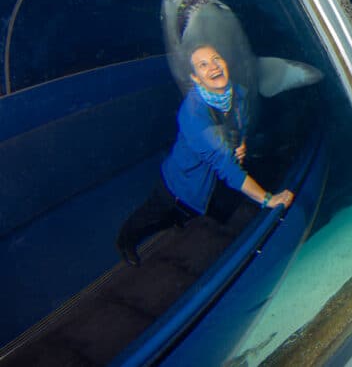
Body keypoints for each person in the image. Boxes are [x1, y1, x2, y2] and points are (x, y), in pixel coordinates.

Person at [116, 44, 294, 266]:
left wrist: (242, 144)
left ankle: (185, 221)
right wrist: (268, 199)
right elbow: (226, 167)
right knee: (153, 221)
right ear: (196, 78)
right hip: (179, 186)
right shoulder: (193, 114)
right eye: (203, 65)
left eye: (216, 59)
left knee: (203, 217)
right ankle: (124, 241)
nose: (213, 67)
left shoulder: (237, 94)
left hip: (213, 186)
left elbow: (242, 125)